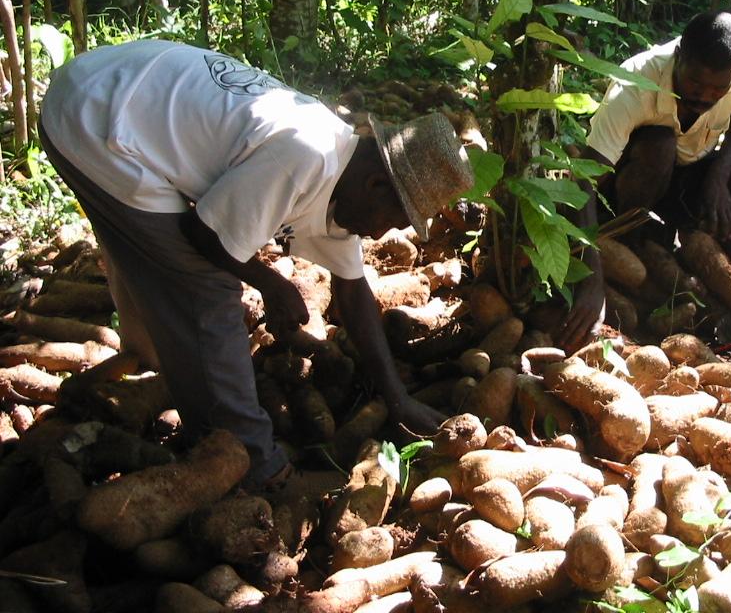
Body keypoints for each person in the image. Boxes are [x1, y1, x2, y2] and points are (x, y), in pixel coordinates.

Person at [40, 40, 474, 487]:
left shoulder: (345, 178)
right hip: (97, 118)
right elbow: (204, 236)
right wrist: (271, 284)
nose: (382, 235)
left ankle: (148, 358)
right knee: (205, 287)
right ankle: (251, 463)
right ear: (376, 184)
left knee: (152, 247)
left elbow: (353, 288)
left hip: (111, 92)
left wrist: (397, 399)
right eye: (393, 220)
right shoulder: (304, 157)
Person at [559, 11, 731, 352]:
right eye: (695, 84)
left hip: (690, 175)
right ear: (678, 56)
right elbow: (585, 177)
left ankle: (694, 234)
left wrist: (718, 176)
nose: (705, 97)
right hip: (634, 183)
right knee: (660, 144)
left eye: (718, 90)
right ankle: (635, 236)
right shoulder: (633, 84)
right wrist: (591, 280)